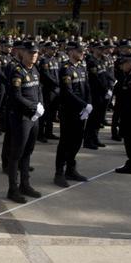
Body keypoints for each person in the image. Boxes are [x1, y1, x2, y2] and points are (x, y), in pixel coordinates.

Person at [0, 39, 42, 202]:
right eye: (30, 53)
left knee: (28, 152)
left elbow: (39, 91)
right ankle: (13, 188)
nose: (33, 55)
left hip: (33, 117)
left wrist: (40, 106)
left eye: (36, 53)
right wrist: (33, 107)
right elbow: (16, 95)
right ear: (23, 53)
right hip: (21, 117)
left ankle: (25, 184)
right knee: (16, 154)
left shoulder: (35, 70)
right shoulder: (17, 71)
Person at [53, 41, 92, 187]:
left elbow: (87, 87)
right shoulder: (65, 69)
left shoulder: (82, 67)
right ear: (71, 52)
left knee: (77, 141)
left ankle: (71, 169)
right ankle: (59, 173)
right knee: (65, 142)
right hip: (69, 111)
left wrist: (89, 105)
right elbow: (67, 92)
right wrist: (84, 105)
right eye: (79, 51)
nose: (82, 53)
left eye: (83, 50)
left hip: (82, 111)